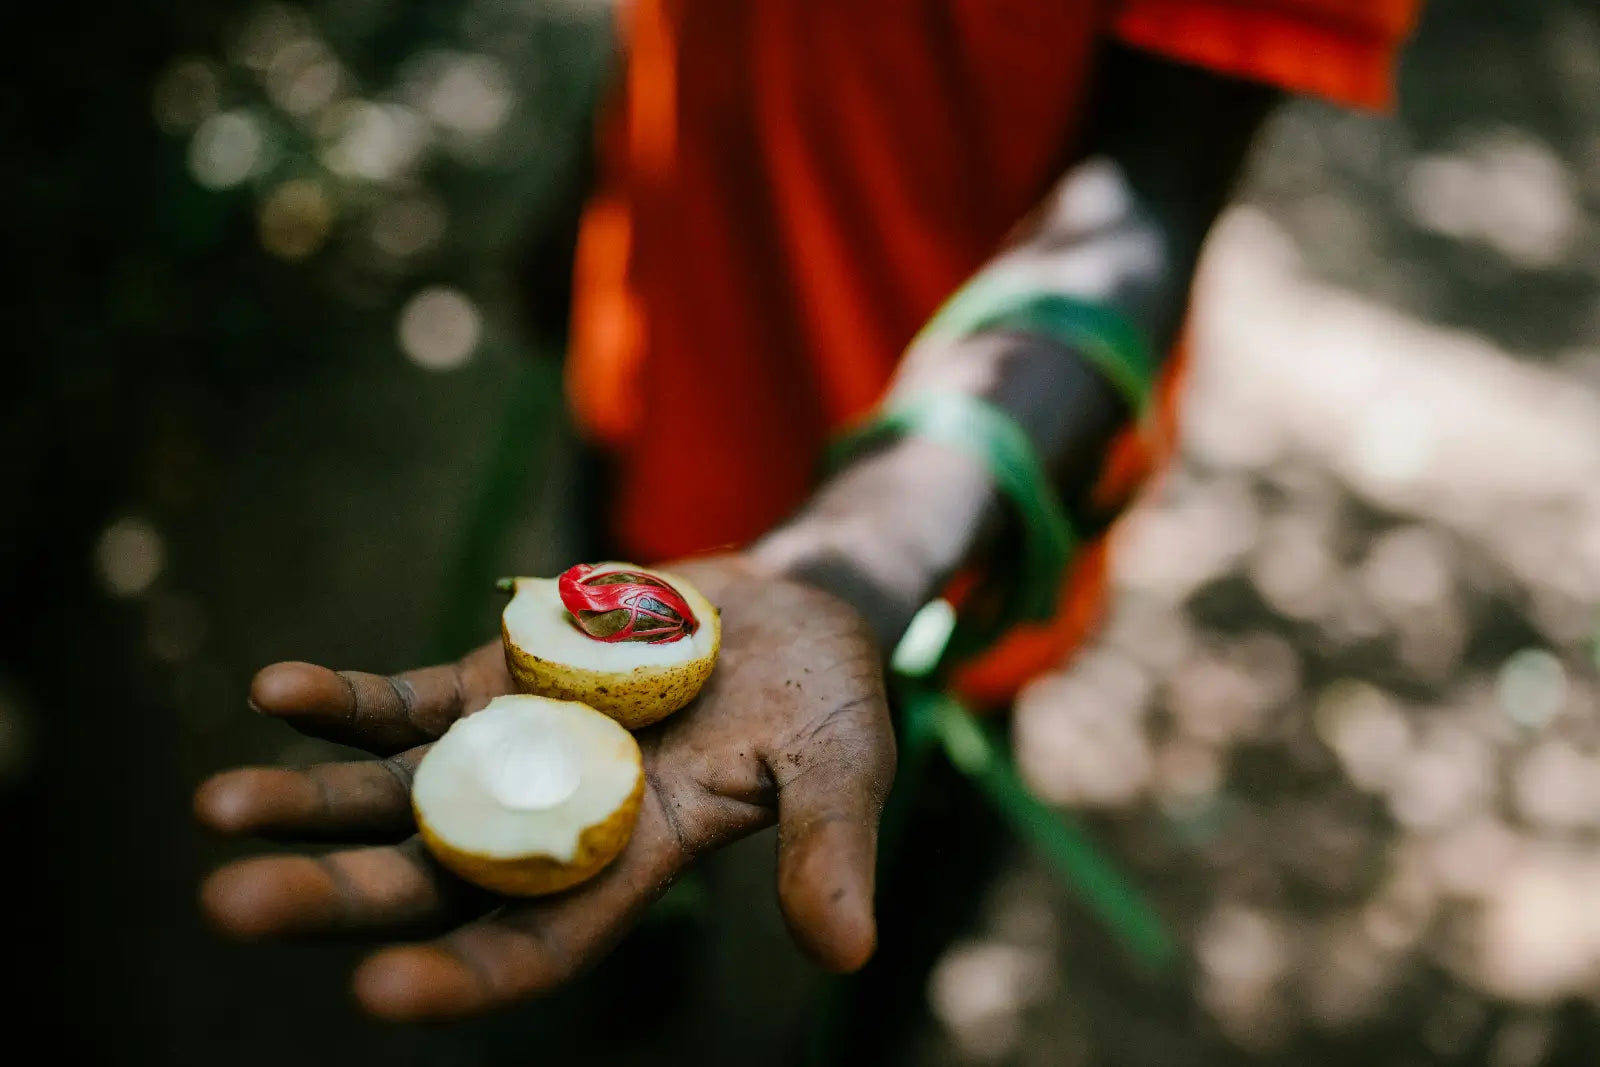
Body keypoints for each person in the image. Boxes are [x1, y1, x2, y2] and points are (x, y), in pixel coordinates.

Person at [194, 0, 1421, 1030]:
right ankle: (633, 982)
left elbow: (1150, 190)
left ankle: (870, 1028)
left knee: (911, 803)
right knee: (634, 777)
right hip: (661, 339)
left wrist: (866, 554)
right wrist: (592, 173)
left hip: (959, 496)